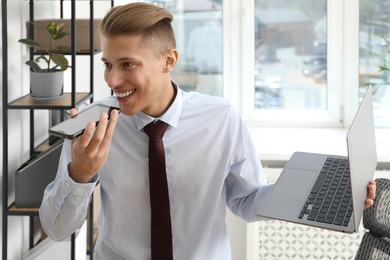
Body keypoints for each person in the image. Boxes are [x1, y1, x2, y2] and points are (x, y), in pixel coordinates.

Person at [39, 2, 376, 260]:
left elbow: (245, 200)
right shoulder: (93, 128)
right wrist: (79, 175)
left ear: (168, 60)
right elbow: (56, 230)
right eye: (108, 65)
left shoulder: (221, 119)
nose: (112, 81)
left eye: (128, 64)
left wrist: (317, 194)